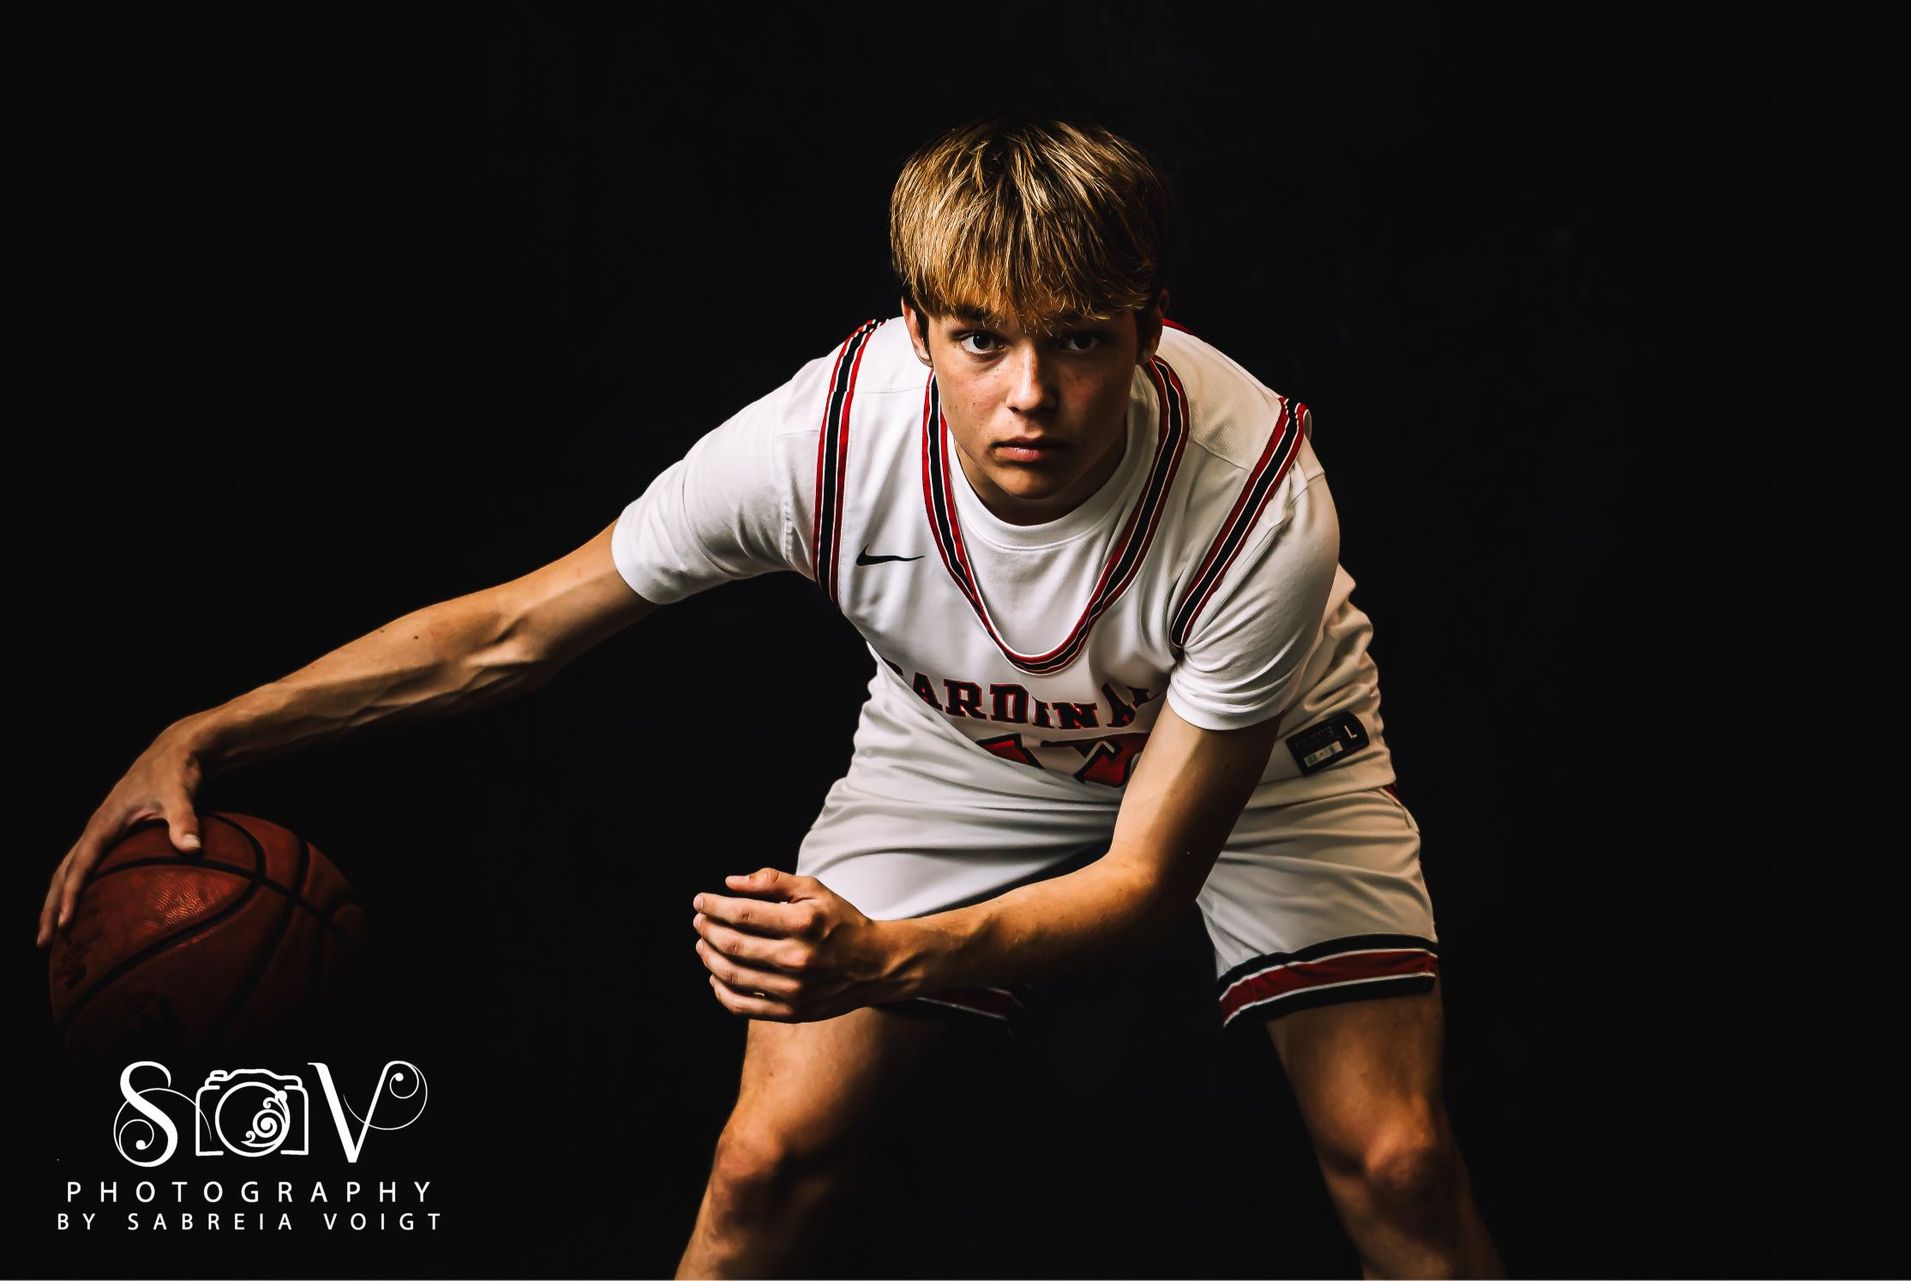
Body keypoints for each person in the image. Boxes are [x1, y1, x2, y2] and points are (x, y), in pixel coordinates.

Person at [37, 116, 1502, 1279]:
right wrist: (208, 730)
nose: (1031, 394)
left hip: (1254, 763)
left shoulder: (1257, 496)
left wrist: (883, 957)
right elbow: (514, 630)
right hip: (964, 747)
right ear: (919, 328)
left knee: (1398, 1164)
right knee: (761, 1163)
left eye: (1080, 336)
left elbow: (1136, 884)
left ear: (1148, 324)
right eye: (984, 336)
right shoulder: (822, 440)